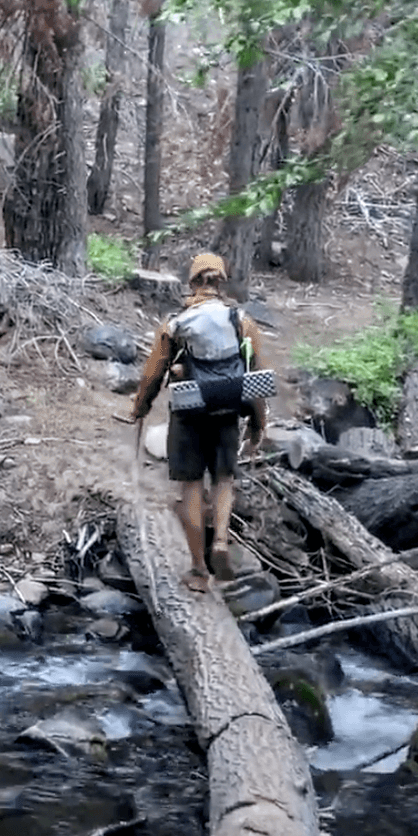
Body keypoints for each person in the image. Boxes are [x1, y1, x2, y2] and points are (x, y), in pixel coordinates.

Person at [118, 253, 269, 592]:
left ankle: (199, 570)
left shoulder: (176, 324)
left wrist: (140, 408)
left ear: (191, 283)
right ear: (222, 282)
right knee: (224, 479)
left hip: (189, 413)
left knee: (189, 487)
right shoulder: (241, 320)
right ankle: (220, 542)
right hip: (227, 409)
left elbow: (152, 373)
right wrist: (259, 423)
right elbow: (257, 376)